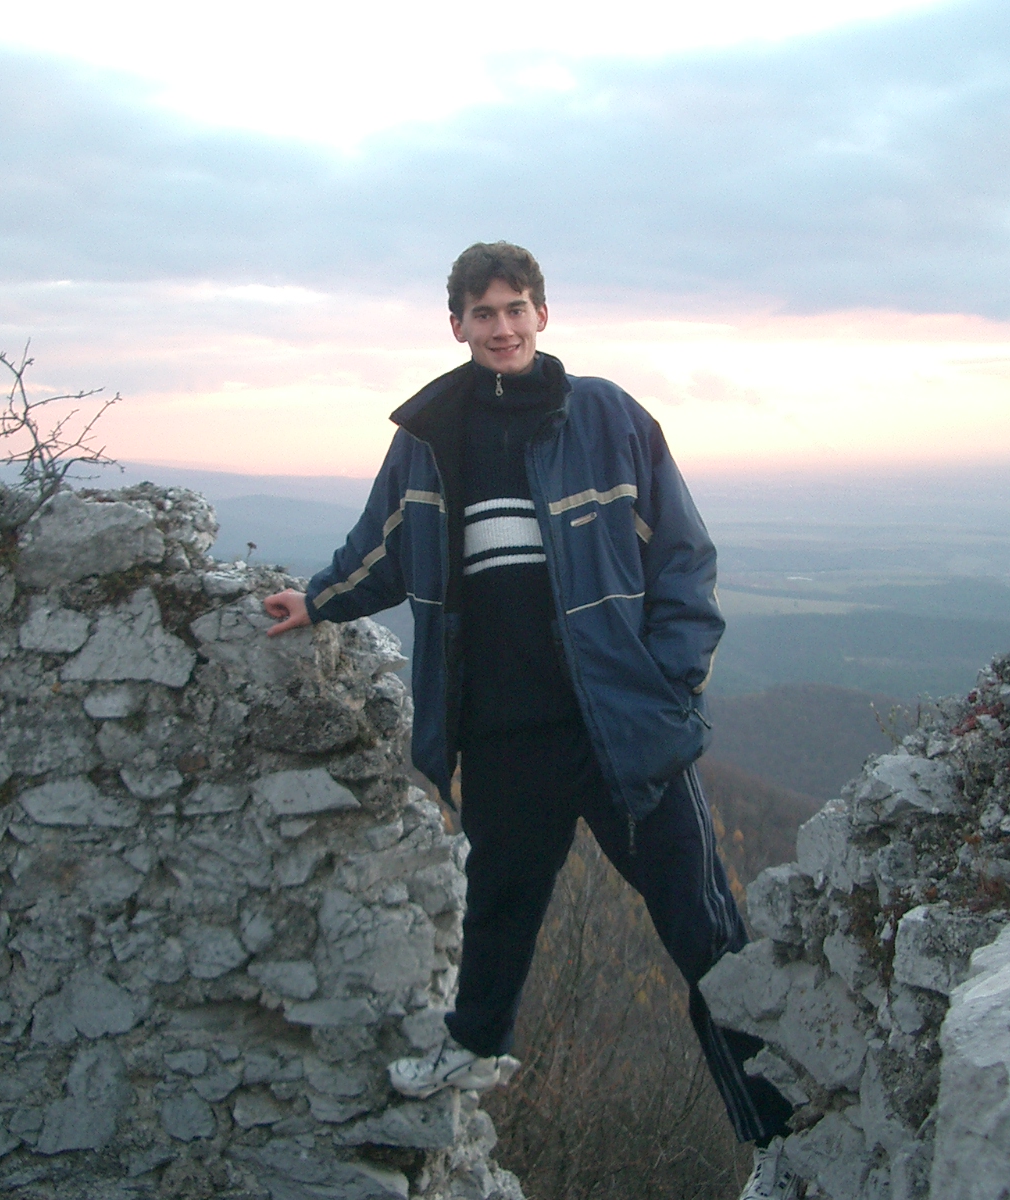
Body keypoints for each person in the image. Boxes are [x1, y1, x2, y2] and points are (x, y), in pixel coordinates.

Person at [263, 242, 797, 1186]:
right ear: (457, 326)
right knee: (500, 909)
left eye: (516, 309)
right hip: (504, 730)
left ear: (543, 314)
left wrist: (671, 686)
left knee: (701, 925)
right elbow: (382, 546)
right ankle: (472, 1048)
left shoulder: (607, 416)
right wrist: (317, 600)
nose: (502, 327)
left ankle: (779, 1119)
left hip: (619, 728)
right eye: (484, 313)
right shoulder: (431, 434)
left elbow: (682, 557)